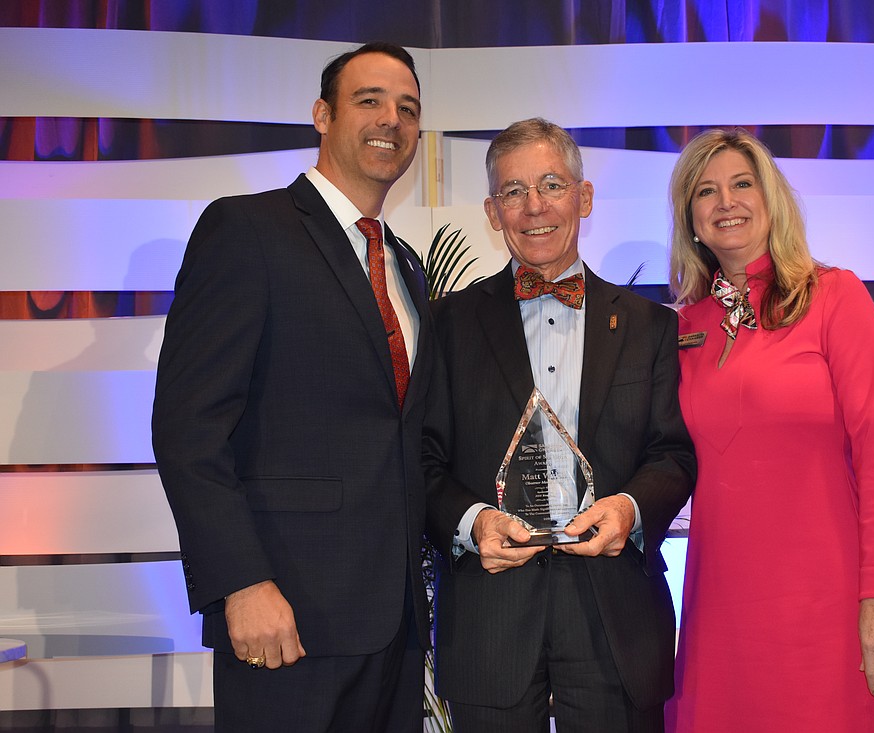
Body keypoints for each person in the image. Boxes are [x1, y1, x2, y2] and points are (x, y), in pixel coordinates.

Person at [151, 42, 432, 732]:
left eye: (407, 108)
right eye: (369, 100)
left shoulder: (406, 265)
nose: (391, 120)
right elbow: (189, 428)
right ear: (322, 115)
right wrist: (241, 582)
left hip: (395, 625)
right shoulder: (246, 229)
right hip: (286, 619)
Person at [423, 117, 696, 732]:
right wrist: (472, 522)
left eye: (551, 185)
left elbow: (673, 453)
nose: (534, 206)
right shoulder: (446, 325)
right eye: (513, 191)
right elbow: (422, 457)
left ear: (584, 196)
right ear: (493, 212)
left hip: (615, 616)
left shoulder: (651, 326)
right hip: (491, 615)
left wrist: (629, 509)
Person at [663, 127, 874, 732]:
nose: (726, 202)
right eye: (706, 191)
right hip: (720, 608)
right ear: (691, 219)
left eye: (742, 184)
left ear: (771, 199)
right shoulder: (678, 330)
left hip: (828, 602)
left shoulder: (835, 296)